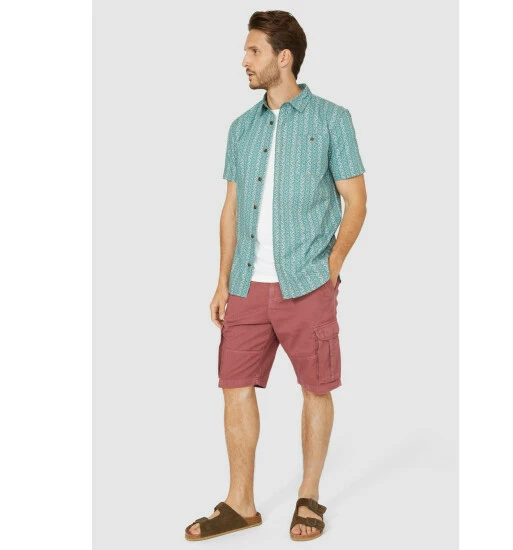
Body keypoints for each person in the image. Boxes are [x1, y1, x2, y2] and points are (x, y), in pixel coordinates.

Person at [185, 10, 367, 542]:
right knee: (234, 387)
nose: (244, 60)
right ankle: (240, 503)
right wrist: (222, 281)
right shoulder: (241, 128)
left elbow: (356, 201)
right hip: (246, 284)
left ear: (283, 58)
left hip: (306, 282)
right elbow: (230, 208)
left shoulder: (332, 119)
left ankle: (309, 495)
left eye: (254, 51)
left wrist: (330, 268)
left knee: (315, 388)